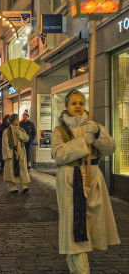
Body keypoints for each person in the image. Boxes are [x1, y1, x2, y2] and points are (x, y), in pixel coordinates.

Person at [51, 89, 120, 273]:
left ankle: (75, 261)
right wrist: (83, 141)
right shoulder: (59, 130)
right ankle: (79, 266)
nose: (78, 106)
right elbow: (59, 155)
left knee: (90, 226)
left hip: (93, 180)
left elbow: (110, 148)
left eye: (81, 103)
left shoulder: (93, 125)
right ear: (66, 106)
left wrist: (97, 134)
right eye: (73, 103)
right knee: (74, 226)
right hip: (70, 182)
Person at [2, 113, 30, 194]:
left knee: (23, 169)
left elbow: (26, 138)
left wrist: (20, 134)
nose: (18, 121)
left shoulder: (21, 130)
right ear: (13, 121)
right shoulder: (7, 131)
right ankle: (12, 186)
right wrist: (8, 154)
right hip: (11, 152)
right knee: (11, 170)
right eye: (17, 119)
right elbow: (5, 143)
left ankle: (24, 185)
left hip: (21, 151)